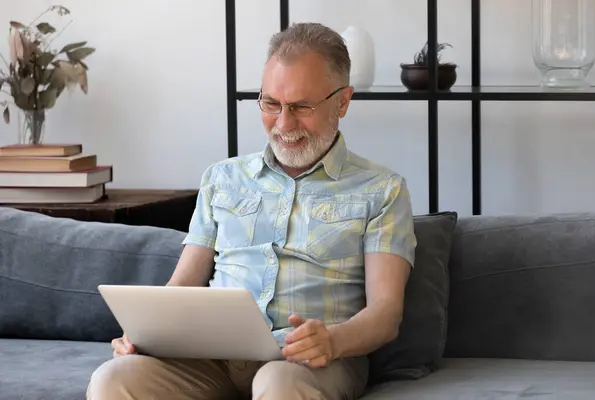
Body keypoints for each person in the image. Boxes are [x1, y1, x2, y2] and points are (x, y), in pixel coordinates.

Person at [86, 21, 417, 400]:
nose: (284, 123)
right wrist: (144, 334)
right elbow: (182, 286)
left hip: (313, 362)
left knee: (277, 385)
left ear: (342, 101)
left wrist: (333, 340)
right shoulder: (222, 179)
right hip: (211, 358)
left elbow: (386, 313)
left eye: (301, 106)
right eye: (271, 104)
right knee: (113, 378)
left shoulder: (382, 189)